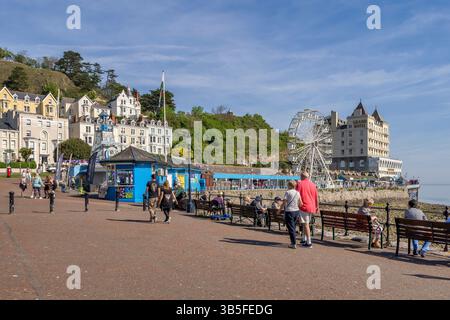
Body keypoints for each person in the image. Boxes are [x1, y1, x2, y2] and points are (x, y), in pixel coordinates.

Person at [296, 171, 319, 248]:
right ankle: (304, 239)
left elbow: (297, 195)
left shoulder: (299, 184)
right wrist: (317, 207)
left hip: (304, 206)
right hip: (312, 207)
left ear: (301, 177)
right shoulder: (313, 185)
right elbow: (316, 197)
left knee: (306, 224)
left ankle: (309, 242)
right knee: (305, 223)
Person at [283, 180, 302, 249]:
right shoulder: (297, 192)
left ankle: (293, 243)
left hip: (289, 211)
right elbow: (301, 203)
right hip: (296, 211)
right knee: (293, 227)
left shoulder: (287, 192)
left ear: (289, 185)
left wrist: (279, 211)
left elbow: (284, 202)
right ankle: (293, 240)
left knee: (291, 228)